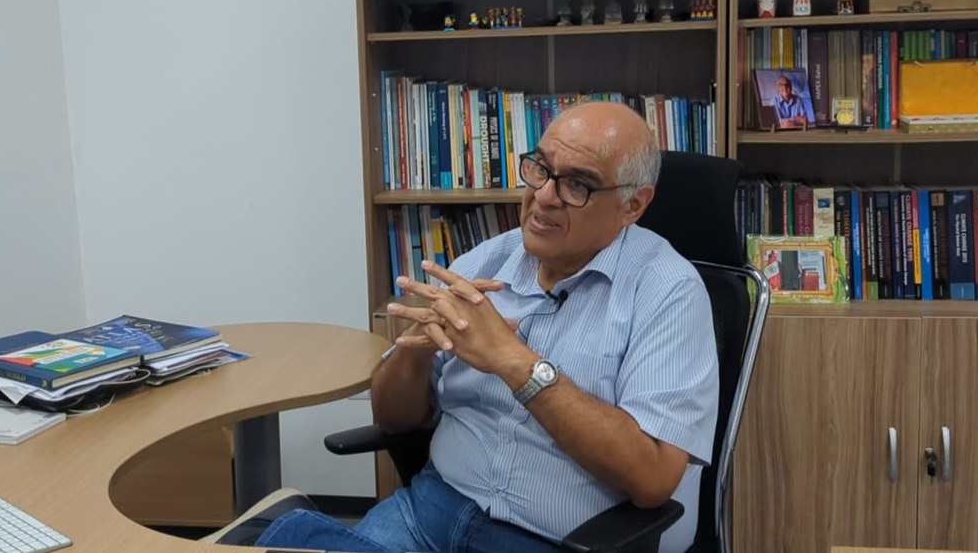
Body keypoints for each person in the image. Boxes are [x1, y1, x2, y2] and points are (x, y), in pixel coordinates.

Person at [254, 101, 719, 553]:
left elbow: (654, 477)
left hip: (558, 540)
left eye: (577, 185)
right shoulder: (486, 259)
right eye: (540, 167)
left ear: (632, 204)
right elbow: (392, 418)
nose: (543, 196)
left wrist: (514, 361)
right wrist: (414, 351)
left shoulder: (668, 292)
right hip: (427, 513)